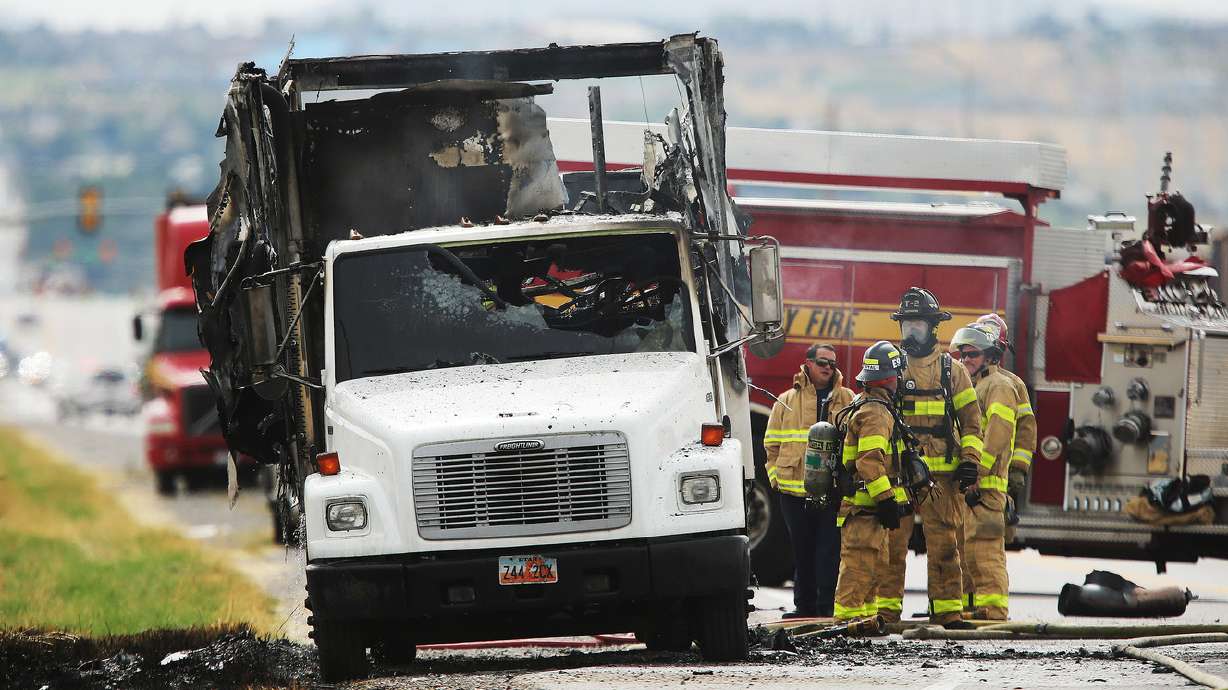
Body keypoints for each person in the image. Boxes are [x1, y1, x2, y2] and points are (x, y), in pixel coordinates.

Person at [877, 287, 984, 627]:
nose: (910, 333)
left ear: (933, 328)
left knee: (945, 547)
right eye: (906, 326)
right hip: (901, 475)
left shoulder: (952, 370)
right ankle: (886, 612)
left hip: (943, 479)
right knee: (892, 545)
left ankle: (948, 611)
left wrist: (970, 460)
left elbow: (972, 422)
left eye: (917, 326)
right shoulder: (891, 367)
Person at [764, 343, 855, 617]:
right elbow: (771, 445)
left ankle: (826, 608)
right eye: (822, 362)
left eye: (832, 363)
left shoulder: (848, 399)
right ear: (808, 364)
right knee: (801, 552)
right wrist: (775, 480)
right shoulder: (786, 401)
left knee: (828, 552)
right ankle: (803, 608)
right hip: (793, 494)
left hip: (832, 492)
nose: (828, 367)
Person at [832, 340, 909, 624]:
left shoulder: (863, 403)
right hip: (864, 508)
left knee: (873, 570)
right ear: (891, 377)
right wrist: (886, 499)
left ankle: (862, 623)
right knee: (858, 570)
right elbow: (868, 462)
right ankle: (846, 625)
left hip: (867, 510)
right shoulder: (876, 412)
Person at [950, 323, 1020, 620]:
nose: (966, 360)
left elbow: (997, 433)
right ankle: (973, 606)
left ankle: (993, 610)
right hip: (972, 486)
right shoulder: (977, 385)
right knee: (969, 551)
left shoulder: (999, 386)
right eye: (963, 354)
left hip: (987, 486)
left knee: (987, 550)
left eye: (973, 354)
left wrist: (978, 472)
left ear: (991, 355)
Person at [974, 313, 1037, 514]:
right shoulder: (963, 379)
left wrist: (1018, 467)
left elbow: (1025, 428)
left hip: (997, 474)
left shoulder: (1011, 384)